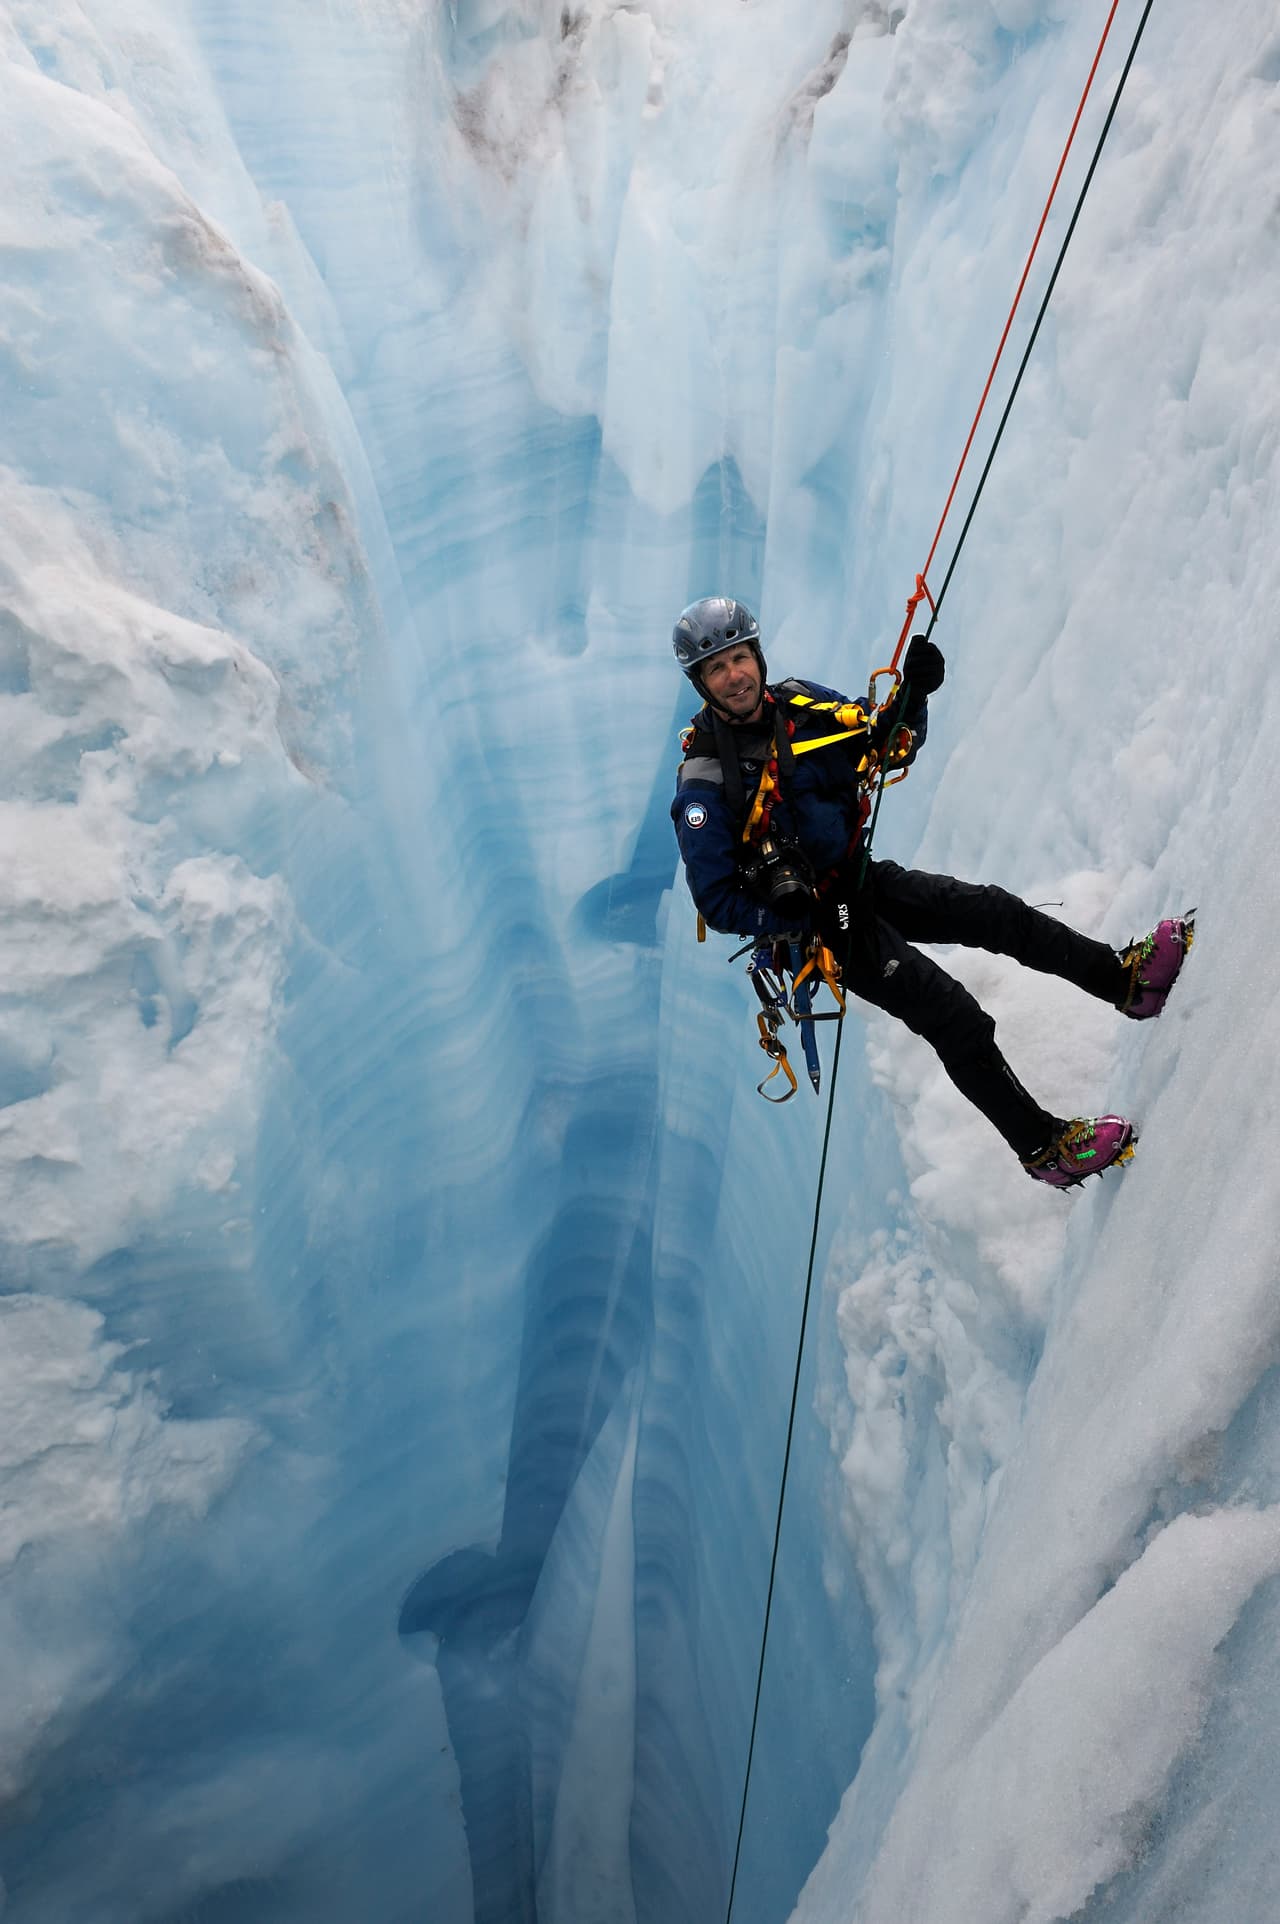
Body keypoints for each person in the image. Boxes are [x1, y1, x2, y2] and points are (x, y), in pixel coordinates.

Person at [669, 596, 1191, 1187]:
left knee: (992, 912)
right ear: (701, 684)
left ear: (757, 656)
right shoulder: (705, 782)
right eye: (716, 667)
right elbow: (715, 900)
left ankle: (1126, 983)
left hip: (857, 879)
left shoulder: (799, 705)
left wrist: (913, 698)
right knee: (954, 1016)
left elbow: (884, 744)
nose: (734, 675)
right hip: (822, 930)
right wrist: (793, 913)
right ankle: (1046, 1150)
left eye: (739, 657)